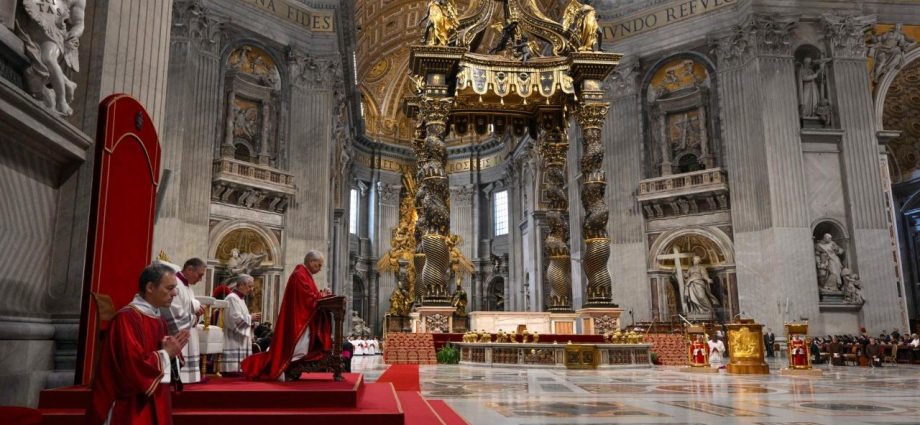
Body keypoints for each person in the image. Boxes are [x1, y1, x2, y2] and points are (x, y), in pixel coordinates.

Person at [87, 264, 189, 425]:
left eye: (175, 288)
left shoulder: (159, 320)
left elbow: (165, 355)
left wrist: (173, 353)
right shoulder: (127, 318)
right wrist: (166, 354)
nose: (175, 294)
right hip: (130, 402)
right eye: (169, 288)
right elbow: (132, 366)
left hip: (153, 396)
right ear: (150, 287)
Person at [241, 251, 333, 381]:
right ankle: (285, 368)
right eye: (319, 265)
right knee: (299, 348)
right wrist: (320, 297)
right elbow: (307, 298)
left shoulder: (304, 275)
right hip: (300, 321)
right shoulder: (299, 275)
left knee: (303, 348)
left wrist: (321, 295)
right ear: (311, 262)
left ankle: (289, 368)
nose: (320, 269)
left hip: (304, 319)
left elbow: (310, 295)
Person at [160, 258, 206, 384]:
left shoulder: (188, 288)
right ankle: (180, 376)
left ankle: (190, 376)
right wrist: (195, 317)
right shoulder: (176, 285)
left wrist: (195, 311)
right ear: (189, 269)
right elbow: (175, 314)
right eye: (200, 275)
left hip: (188, 330)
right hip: (178, 333)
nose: (200, 279)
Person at [222, 274, 261, 374]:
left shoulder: (240, 299)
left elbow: (242, 318)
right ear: (240, 285)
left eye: (252, 286)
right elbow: (234, 319)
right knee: (233, 374)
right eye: (249, 286)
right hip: (232, 339)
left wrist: (252, 322)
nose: (251, 289)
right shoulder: (232, 298)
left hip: (239, 339)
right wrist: (250, 317)